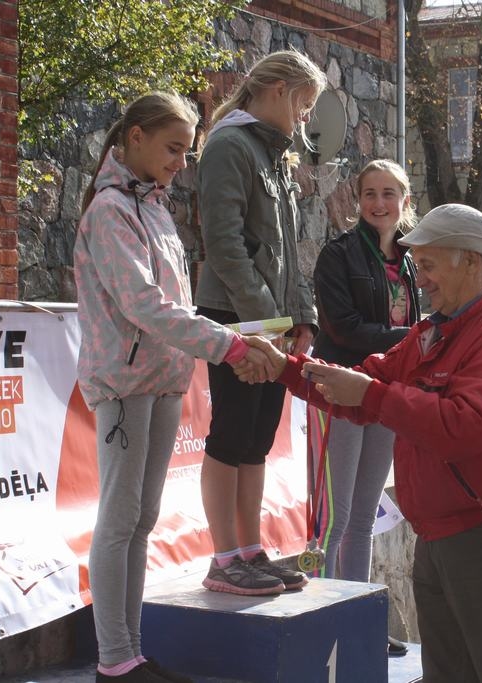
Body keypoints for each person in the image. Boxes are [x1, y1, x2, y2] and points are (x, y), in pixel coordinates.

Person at [237, 203, 482, 683]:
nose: (417, 278)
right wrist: (285, 368)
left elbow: (460, 429)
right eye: (418, 264)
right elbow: (364, 389)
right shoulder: (436, 332)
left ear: (471, 260)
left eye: (427, 264)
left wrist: (372, 394)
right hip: (445, 534)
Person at [75, 91, 252, 683]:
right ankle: (114, 659)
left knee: (142, 516)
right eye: (173, 147)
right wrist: (226, 344)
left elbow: (169, 300)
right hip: (124, 382)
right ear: (135, 138)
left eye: (187, 150)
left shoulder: (152, 204)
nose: (181, 161)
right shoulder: (110, 209)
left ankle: (129, 654)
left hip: (163, 377)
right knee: (119, 516)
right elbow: (143, 304)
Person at [194, 50, 326, 595]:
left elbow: (287, 253)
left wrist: (304, 319)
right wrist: (265, 322)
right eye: (303, 103)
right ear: (274, 88)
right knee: (230, 435)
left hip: (271, 323)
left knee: (257, 439)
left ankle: (250, 549)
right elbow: (224, 245)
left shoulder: (273, 155)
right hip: (236, 318)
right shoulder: (229, 145)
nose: (305, 118)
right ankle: (224, 559)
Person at [309, 159, 420, 655]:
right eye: (370, 193)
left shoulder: (415, 259)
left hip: (385, 396)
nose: (379, 203)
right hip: (340, 390)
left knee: (363, 520)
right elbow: (344, 329)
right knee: (336, 518)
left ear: (405, 200)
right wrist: (417, 339)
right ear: (358, 200)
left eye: (389, 193)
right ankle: (323, 625)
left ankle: (359, 623)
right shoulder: (338, 255)